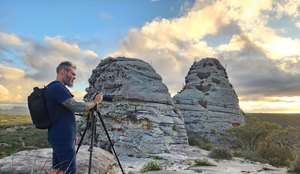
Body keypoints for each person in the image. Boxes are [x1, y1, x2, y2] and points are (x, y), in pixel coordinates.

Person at [45, 61, 103, 174]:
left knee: (57, 169)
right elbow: (76, 106)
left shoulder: (56, 87)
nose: (74, 77)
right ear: (63, 71)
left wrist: (72, 135)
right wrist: (95, 101)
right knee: (70, 171)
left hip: (60, 137)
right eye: (73, 74)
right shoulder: (57, 88)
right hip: (62, 139)